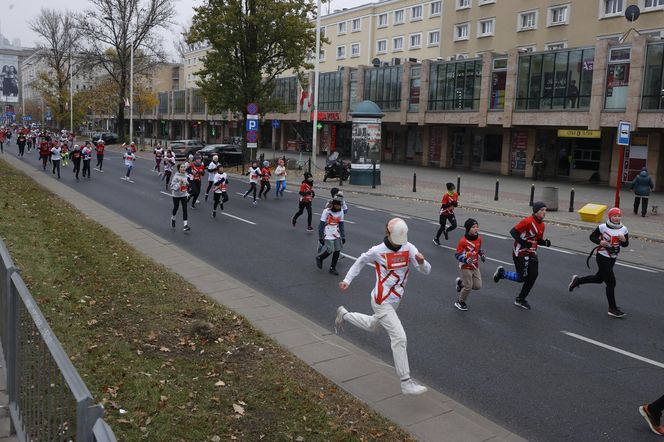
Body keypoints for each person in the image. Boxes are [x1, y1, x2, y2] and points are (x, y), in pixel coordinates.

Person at [335, 218, 431, 395]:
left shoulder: (409, 247)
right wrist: (347, 280)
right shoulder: (378, 250)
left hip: (395, 300)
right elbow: (361, 261)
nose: (400, 242)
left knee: (373, 326)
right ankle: (406, 382)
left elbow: (426, 271)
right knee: (399, 337)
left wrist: (423, 262)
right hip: (381, 301)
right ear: (388, 233)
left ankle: (345, 315)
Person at [568, 208, 628, 318]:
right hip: (602, 256)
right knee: (611, 282)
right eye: (614, 216)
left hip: (613, 257)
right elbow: (592, 237)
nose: (616, 218)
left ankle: (577, 281)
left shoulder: (623, 229)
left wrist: (624, 240)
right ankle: (612, 308)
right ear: (610, 217)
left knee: (599, 279)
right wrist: (600, 241)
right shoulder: (602, 227)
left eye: (619, 216)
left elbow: (625, 244)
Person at [493, 201, 552, 310]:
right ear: (536, 211)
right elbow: (513, 232)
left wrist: (545, 243)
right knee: (522, 278)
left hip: (532, 253)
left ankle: (520, 299)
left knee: (533, 275)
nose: (544, 212)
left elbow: (537, 240)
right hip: (519, 252)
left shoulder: (542, 225)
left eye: (545, 210)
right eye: (542, 210)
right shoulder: (528, 221)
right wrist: (524, 243)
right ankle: (502, 273)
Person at [453, 218, 486, 311]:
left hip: (475, 266)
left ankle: (460, 283)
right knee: (468, 287)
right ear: (468, 229)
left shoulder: (479, 238)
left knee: (477, 286)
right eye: (473, 227)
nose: (476, 229)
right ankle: (460, 302)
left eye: (477, 227)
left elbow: (478, 249)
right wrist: (465, 260)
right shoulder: (463, 241)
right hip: (465, 267)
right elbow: (457, 255)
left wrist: (482, 254)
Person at [316, 196, 345, 275]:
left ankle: (332, 268)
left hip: (336, 232)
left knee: (337, 250)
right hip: (327, 232)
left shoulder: (341, 212)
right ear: (333, 204)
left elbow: (341, 225)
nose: (338, 206)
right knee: (330, 249)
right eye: (337, 204)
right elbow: (321, 225)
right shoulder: (326, 211)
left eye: (340, 205)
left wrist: (343, 236)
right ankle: (320, 258)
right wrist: (321, 236)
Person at [170, 163, 191, 231]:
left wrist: (187, 184)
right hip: (176, 195)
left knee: (185, 209)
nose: (183, 168)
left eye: (184, 167)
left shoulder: (186, 175)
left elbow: (187, 183)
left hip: (184, 194)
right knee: (176, 208)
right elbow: (172, 187)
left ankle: (185, 225)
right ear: (179, 169)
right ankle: (173, 218)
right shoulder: (176, 177)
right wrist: (180, 183)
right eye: (181, 167)